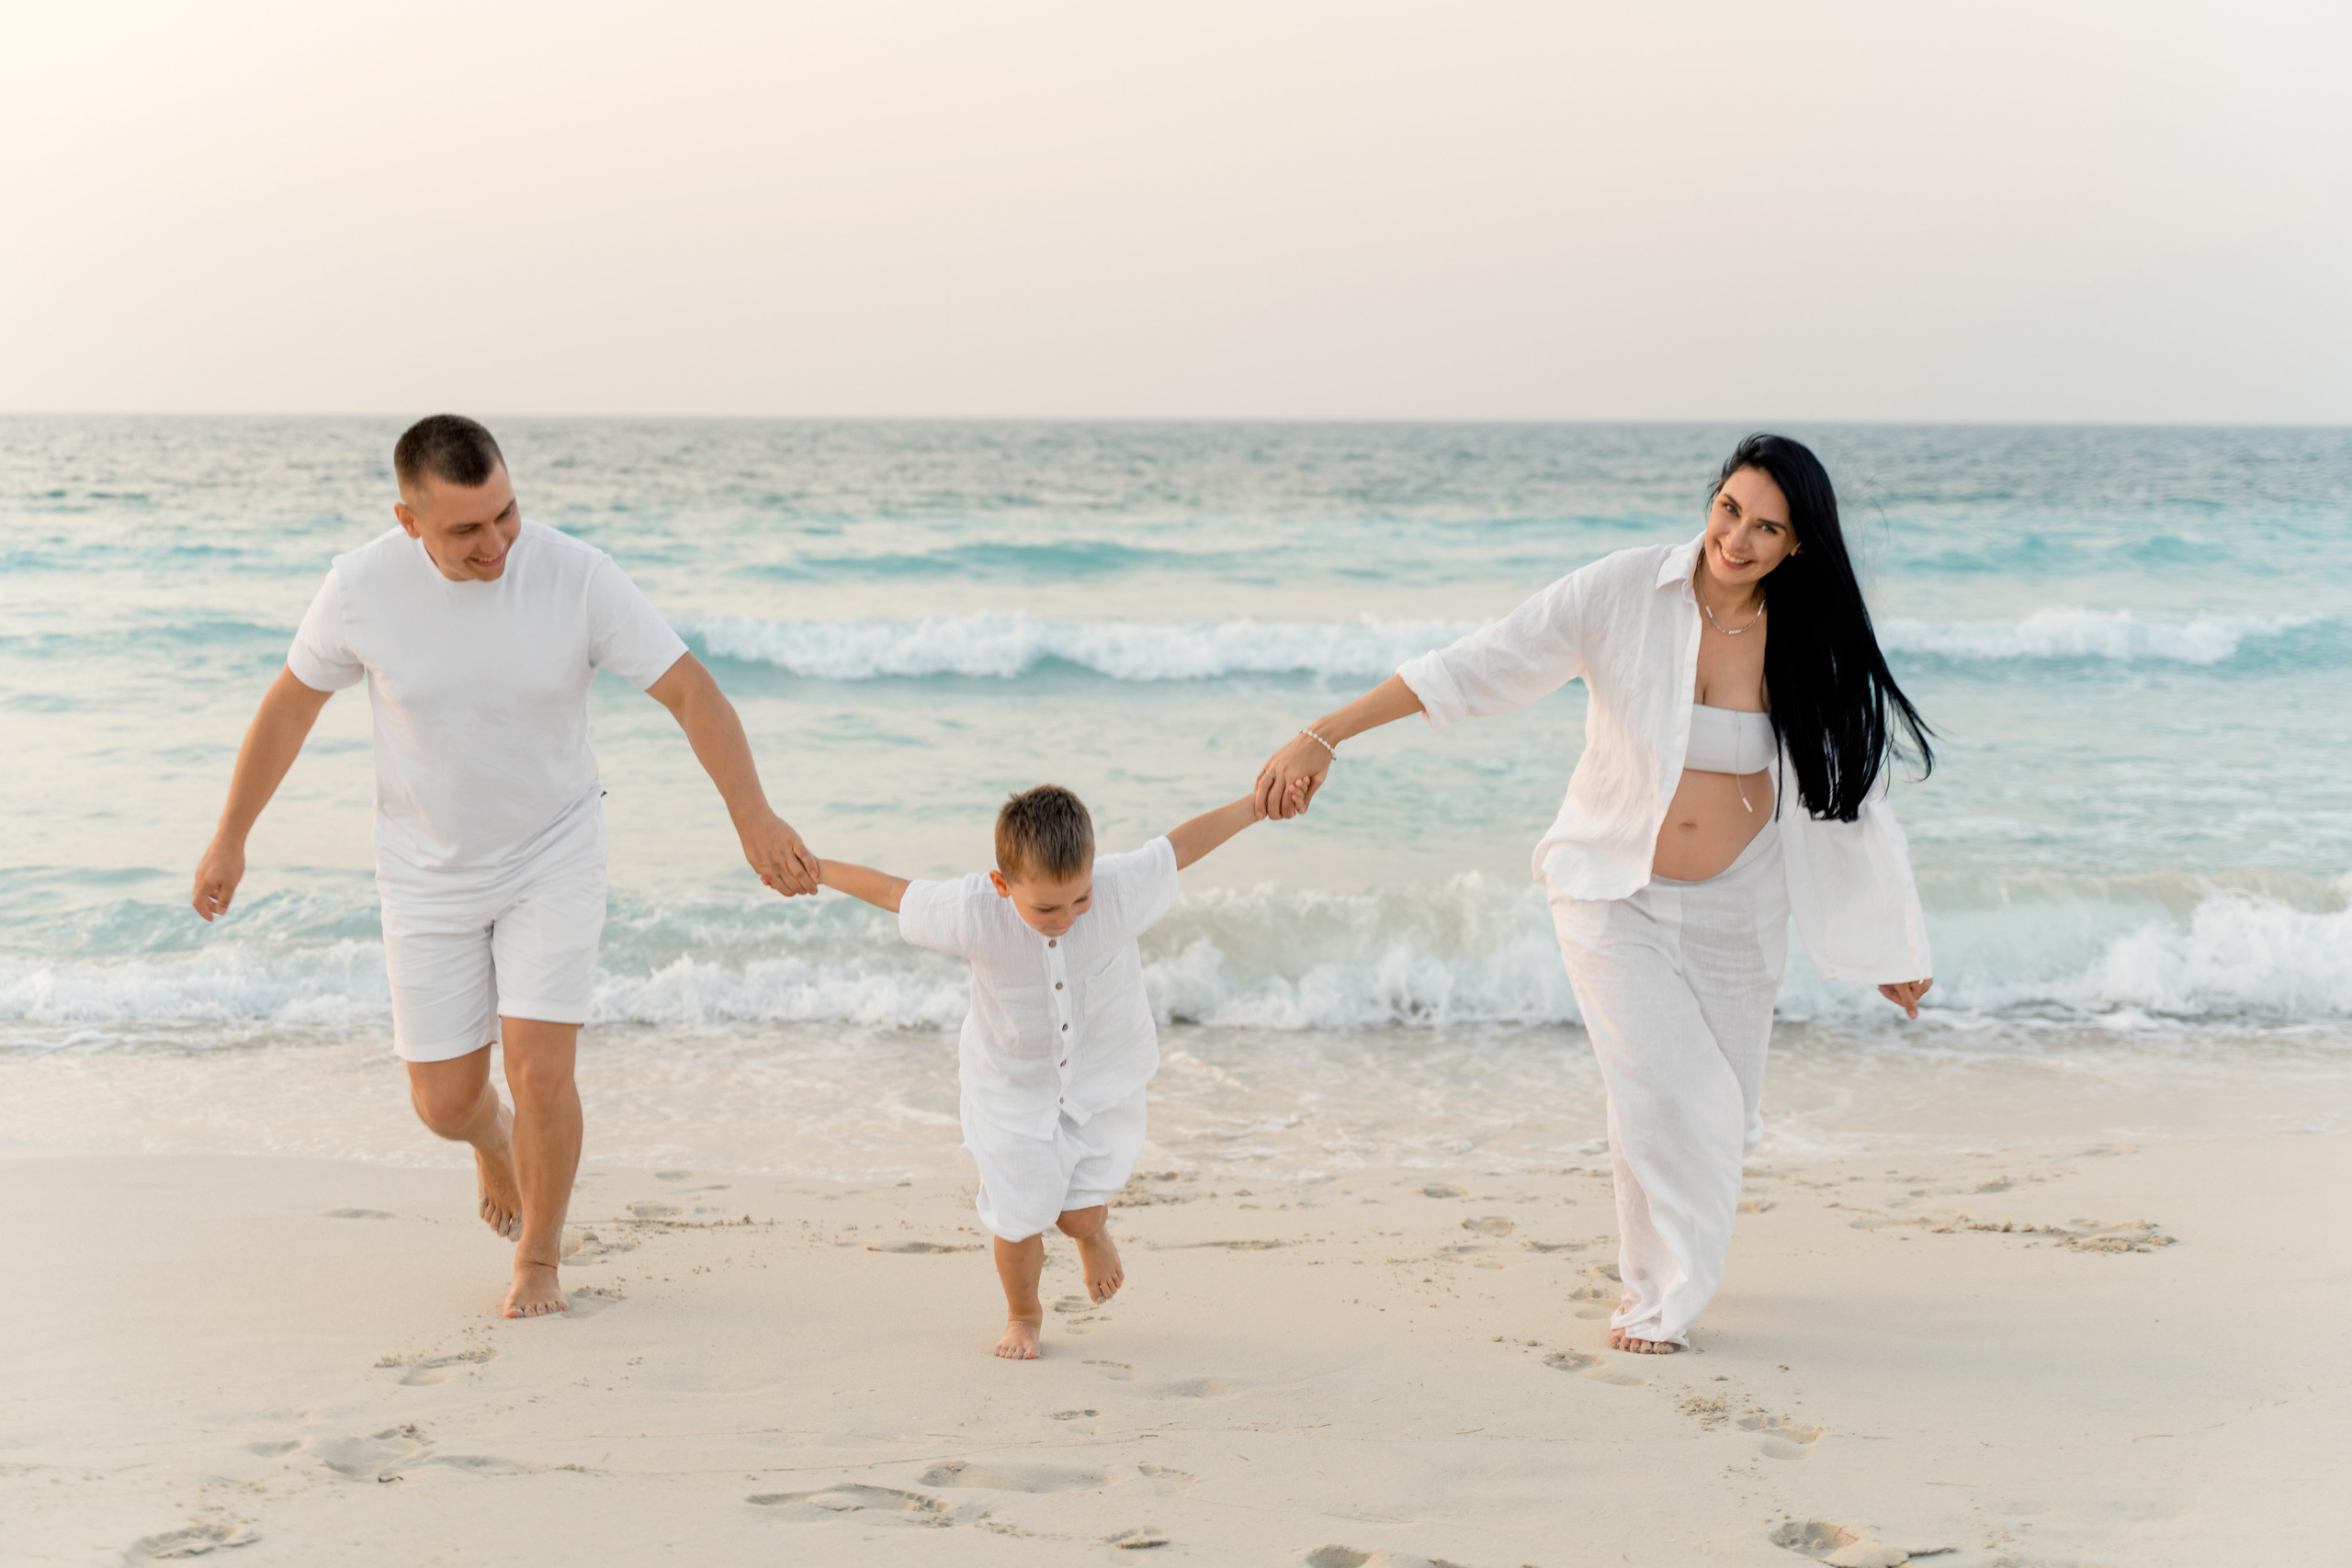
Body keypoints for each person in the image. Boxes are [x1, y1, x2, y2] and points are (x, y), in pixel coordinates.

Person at [1254, 434, 1935, 1355]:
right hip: (1612, 887)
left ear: (1796, 545)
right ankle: (1659, 1299)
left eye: (1765, 527)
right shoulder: (1621, 592)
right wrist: (1323, 735)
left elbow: (1853, 802)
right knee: (1664, 1094)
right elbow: (1476, 663)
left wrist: (1891, 950)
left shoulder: (1805, 638)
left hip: (1740, 905)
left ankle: (1658, 1272)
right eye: (1728, 508)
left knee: (1717, 1114)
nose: (1734, 537)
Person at [190, 414, 820, 1319]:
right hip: (424, 869)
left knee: (539, 1068)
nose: (495, 546)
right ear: (409, 521)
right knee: (446, 1103)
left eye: (506, 515)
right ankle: (492, 1141)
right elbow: (289, 707)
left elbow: (689, 689)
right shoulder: (360, 587)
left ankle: (540, 1258)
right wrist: (230, 836)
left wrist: (751, 815)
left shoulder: (576, 575)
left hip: (553, 851)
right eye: (465, 530)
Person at [817, 782, 1282, 1359]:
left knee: (1079, 1213)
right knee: (1018, 1220)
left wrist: (1255, 806)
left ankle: (1092, 1236)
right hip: (1009, 1088)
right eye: (1044, 908)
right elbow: (892, 890)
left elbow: (1179, 848)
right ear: (1002, 885)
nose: (1066, 918)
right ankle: (1023, 1314)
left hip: (1098, 1080)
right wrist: (811, 867)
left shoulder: (1118, 888)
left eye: (1079, 900)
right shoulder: (973, 911)